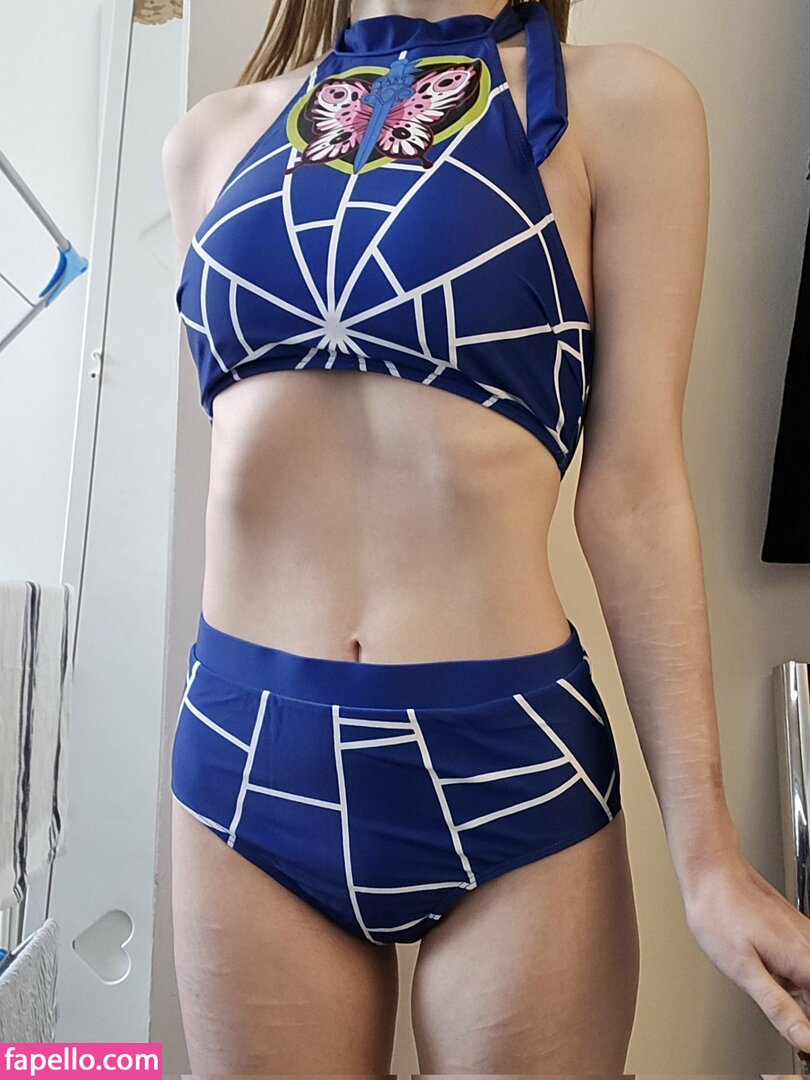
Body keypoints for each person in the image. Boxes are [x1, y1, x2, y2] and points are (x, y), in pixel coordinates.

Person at [162, 0, 810, 1073]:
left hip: (510, 763)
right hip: (246, 753)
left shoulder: (622, 106)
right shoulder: (210, 140)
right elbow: (256, 471)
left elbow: (636, 491)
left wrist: (710, 859)